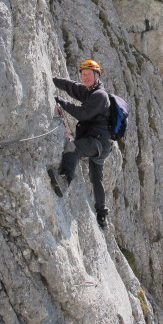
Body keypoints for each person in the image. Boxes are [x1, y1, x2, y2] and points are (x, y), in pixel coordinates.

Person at [49, 59, 113, 228]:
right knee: (96, 178)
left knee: (73, 147)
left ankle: (64, 180)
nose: (85, 77)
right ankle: (102, 215)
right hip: (101, 143)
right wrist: (51, 80)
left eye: (88, 74)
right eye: (83, 74)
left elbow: (83, 114)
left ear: (97, 75)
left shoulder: (99, 95)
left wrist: (61, 102)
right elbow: (70, 86)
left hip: (98, 142)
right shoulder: (89, 91)